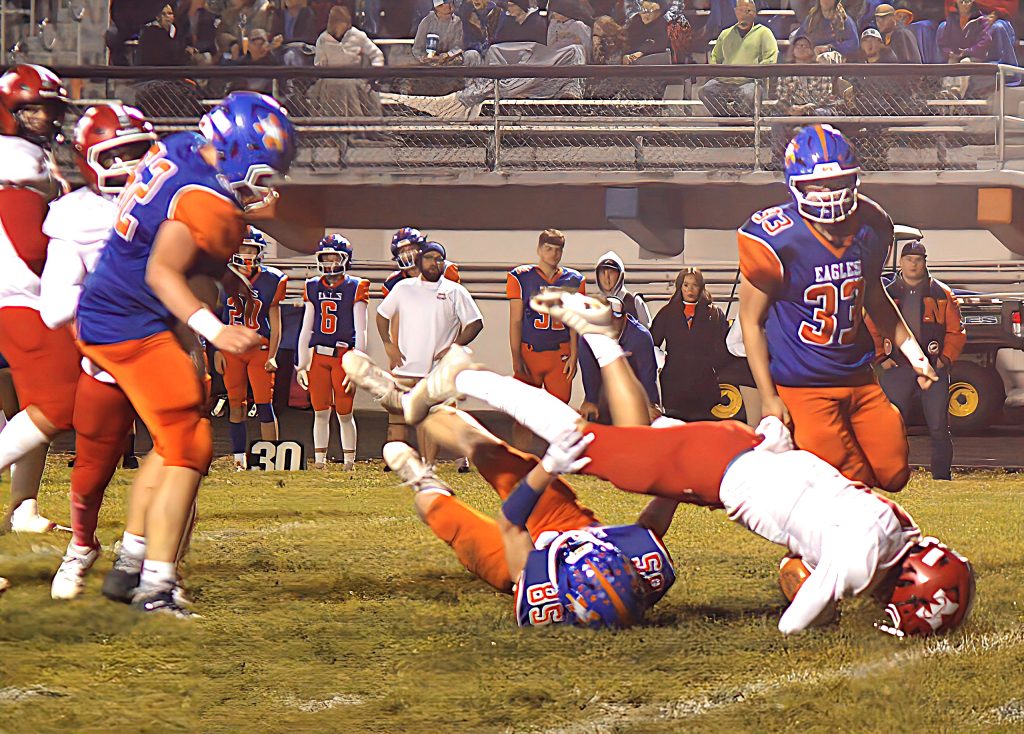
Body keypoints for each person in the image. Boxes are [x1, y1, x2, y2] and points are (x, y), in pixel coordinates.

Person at [345, 292, 976, 639]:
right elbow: (794, 622)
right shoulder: (865, 555)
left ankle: (593, 337)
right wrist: (821, 591)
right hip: (723, 470)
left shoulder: (895, 525)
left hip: (751, 456)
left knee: (636, 431)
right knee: (581, 439)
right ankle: (474, 375)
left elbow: (814, 554)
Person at [75, 91, 296, 617]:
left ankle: (131, 564)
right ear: (241, 149)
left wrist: (223, 273)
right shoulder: (210, 204)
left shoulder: (182, 148)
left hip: (116, 308)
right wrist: (214, 330)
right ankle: (155, 585)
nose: (266, 186)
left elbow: (165, 237)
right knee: (191, 444)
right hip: (130, 322)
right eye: (266, 171)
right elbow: (163, 270)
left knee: (178, 432)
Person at [738, 124, 936, 491]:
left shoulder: (871, 224)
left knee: (894, 472)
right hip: (804, 384)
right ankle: (834, 543)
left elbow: (874, 296)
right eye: (818, 185)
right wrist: (768, 396)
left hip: (859, 375)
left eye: (837, 183)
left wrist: (915, 355)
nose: (828, 195)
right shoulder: (774, 238)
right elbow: (750, 321)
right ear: (794, 184)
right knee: (848, 482)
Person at [379, 415, 675, 629]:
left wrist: (548, 466)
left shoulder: (538, 591)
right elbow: (654, 518)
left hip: (520, 559)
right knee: (488, 451)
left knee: (435, 508)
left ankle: (426, 482)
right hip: (576, 527)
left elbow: (511, 521)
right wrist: (681, 466)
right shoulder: (646, 568)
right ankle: (417, 401)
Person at [38, 103, 157, 600]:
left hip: (167, 349)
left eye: (138, 152)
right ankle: (83, 545)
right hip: (108, 360)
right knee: (90, 470)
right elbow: (54, 306)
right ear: (91, 158)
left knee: (181, 456)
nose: (131, 166)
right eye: (120, 153)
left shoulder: (168, 199)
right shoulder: (75, 215)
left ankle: (145, 556)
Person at [0, 64, 74, 534]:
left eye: (49, 108)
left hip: (18, 293)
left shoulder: (31, 155)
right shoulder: (16, 159)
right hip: (19, 293)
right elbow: (28, 238)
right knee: (54, 403)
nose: (44, 118)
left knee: (29, 405)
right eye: (32, 109)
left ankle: (22, 506)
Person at [376, 241, 484, 467]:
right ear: (419, 261)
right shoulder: (403, 288)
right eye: (429, 258)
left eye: (439, 259)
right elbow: (382, 314)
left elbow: (475, 323)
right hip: (406, 365)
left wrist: (455, 346)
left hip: (436, 368)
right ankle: (399, 463)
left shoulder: (454, 291)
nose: (434, 263)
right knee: (398, 418)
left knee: (433, 419)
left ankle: (429, 465)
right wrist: (388, 344)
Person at [870, 241, 965, 482]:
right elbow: (872, 329)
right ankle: (891, 474)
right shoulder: (887, 294)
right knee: (891, 426)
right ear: (901, 263)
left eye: (918, 259)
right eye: (909, 259)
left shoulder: (942, 294)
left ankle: (942, 477)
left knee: (938, 426)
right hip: (896, 370)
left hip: (933, 370)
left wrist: (944, 359)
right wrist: (881, 358)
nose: (913, 264)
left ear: (925, 262)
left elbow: (957, 331)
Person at [215, 227, 287, 470]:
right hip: (231, 349)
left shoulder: (272, 279)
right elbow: (215, 316)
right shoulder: (222, 277)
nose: (246, 253)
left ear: (259, 252)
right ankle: (239, 459)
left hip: (259, 347)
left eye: (250, 249)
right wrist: (215, 350)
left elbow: (276, 324)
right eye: (242, 248)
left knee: (264, 404)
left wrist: (274, 355)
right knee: (236, 404)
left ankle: (272, 459)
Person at [296, 235, 369, 470]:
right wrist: (301, 362)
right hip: (319, 356)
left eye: (333, 257)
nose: (328, 262)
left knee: (345, 412)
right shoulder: (312, 286)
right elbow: (306, 327)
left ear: (345, 259)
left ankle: (349, 461)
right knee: (319, 411)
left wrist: (357, 365)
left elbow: (361, 329)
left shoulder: (355, 286)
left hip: (343, 356)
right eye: (325, 258)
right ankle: (320, 461)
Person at [507, 229, 585, 449]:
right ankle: (521, 457)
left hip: (559, 352)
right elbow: (515, 321)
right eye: (548, 248)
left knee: (559, 412)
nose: (553, 254)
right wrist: (516, 356)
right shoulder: (521, 277)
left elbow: (574, 321)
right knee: (522, 413)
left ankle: (556, 459)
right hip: (530, 351)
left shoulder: (574, 279)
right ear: (539, 250)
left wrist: (574, 355)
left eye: (557, 249)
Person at [650, 268, 729, 421]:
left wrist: (714, 367)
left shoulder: (714, 313)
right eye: (686, 285)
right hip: (674, 383)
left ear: (701, 287)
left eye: (694, 285)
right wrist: (662, 360)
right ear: (680, 286)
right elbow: (651, 342)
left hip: (704, 383)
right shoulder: (667, 313)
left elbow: (722, 348)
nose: (690, 289)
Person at [578, 297, 659, 424]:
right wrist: (591, 399)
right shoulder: (587, 336)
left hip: (634, 389)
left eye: (615, 319)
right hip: (604, 389)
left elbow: (647, 375)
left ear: (625, 317)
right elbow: (589, 372)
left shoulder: (641, 337)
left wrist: (651, 404)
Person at [699, 0, 779, 117]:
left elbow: (770, 59)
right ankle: (725, 119)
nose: (744, 14)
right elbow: (715, 57)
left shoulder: (764, 33)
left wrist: (752, 73)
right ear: (736, 12)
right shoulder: (725, 34)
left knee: (748, 93)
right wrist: (720, 73)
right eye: (741, 10)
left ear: (754, 13)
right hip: (724, 82)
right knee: (705, 91)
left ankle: (742, 123)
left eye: (748, 11)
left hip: (750, 82)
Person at [312, 6, 384, 118]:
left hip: (354, 77)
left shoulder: (358, 36)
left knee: (347, 85)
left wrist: (374, 74)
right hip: (330, 79)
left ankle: (355, 122)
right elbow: (318, 63)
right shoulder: (323, 39)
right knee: (333, 86)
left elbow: (376, 55)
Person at [382, 226, 461, 297]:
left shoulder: (444, 268)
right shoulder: (392, 282)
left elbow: (456, 301)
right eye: (403, 251)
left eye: (411, 249)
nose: (408, 255)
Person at [595, 251, 650, 327]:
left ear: (620, 275)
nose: (606, 277)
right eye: (602, 272)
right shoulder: (595, 304)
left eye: (611, 272)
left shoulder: (635, 302)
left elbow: (646, 333)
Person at [795, 0, 859, 58]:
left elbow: (854, 44)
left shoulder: (844, 20)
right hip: (813, 59)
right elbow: (799, 37)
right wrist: (808, 49)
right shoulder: (811, 19)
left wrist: (830, 48)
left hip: (835, 60)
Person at [412, 0, 465, 64]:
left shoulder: (457, 22)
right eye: (447, 3)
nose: (450, 6)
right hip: (429, 64)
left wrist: (447, 55)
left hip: (450, 62)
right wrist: (425, 58)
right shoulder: (427, 21)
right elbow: (417, 49)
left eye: (452, 3)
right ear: (437, 6)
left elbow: (458, 47)